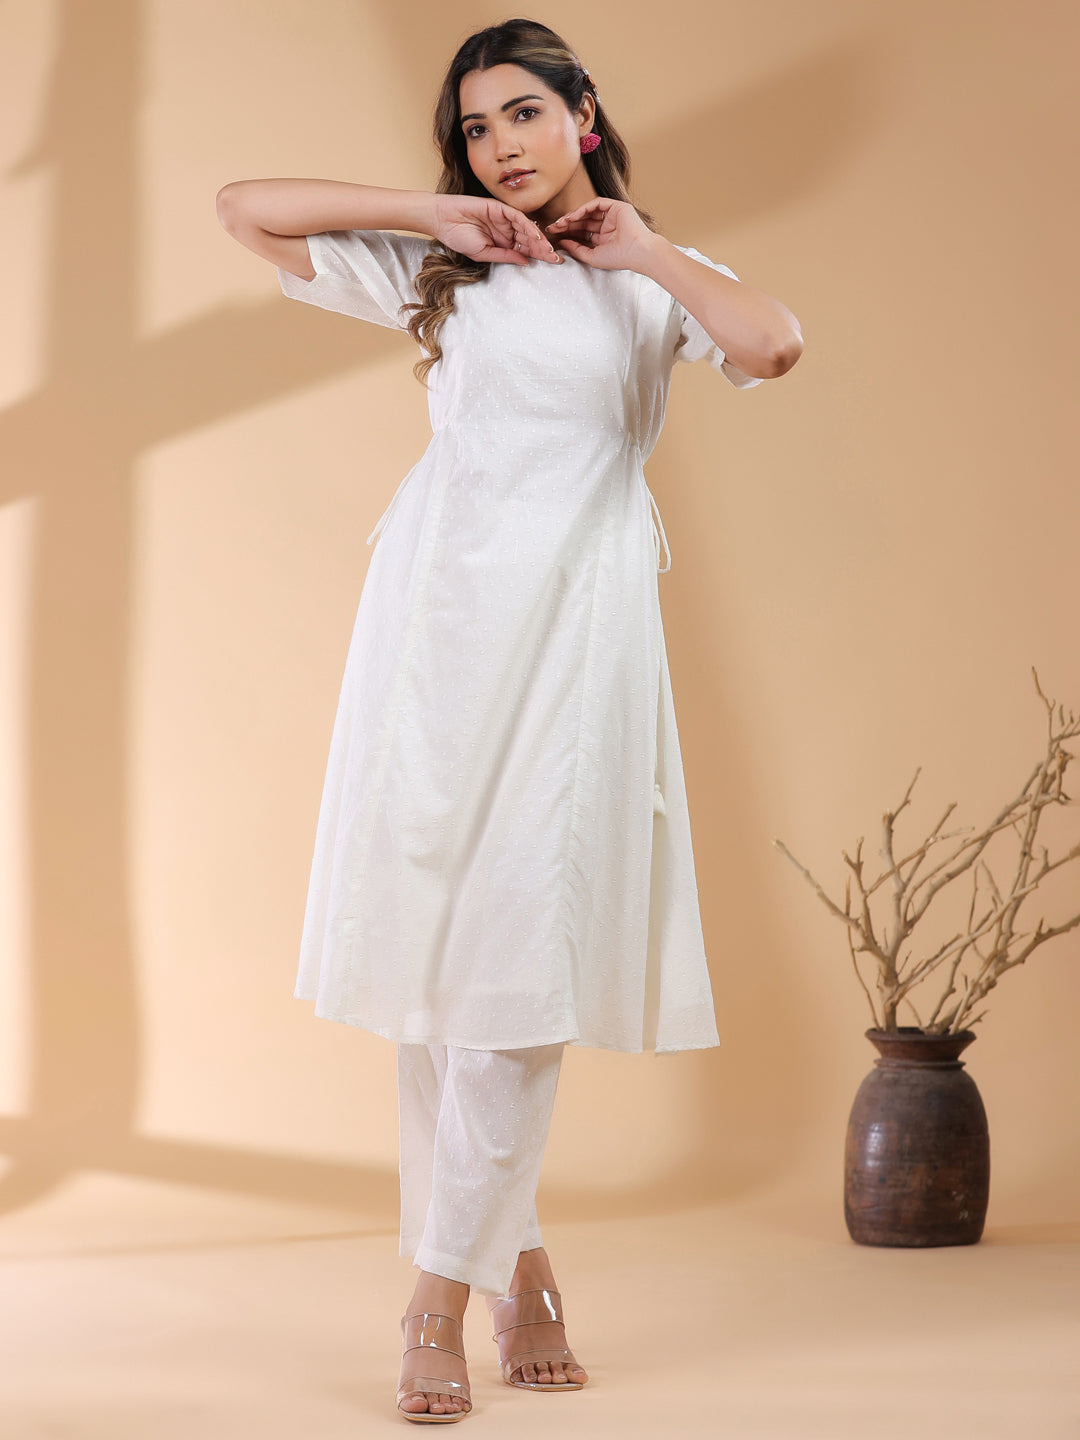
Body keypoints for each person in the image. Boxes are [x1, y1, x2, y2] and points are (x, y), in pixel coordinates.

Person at [216, 16, 802, 1425]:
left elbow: (774, 344)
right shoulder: (449, 270)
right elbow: (244, 209)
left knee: (518, 965)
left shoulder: (647, 277)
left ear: (583, 114)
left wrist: (646, 251)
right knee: (437, 968)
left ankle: (434, 1298)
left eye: (524, 114)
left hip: (578, 634)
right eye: (475, 128)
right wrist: (431, 214)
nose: (501, 146)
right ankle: (519, 1263)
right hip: (434, 632)